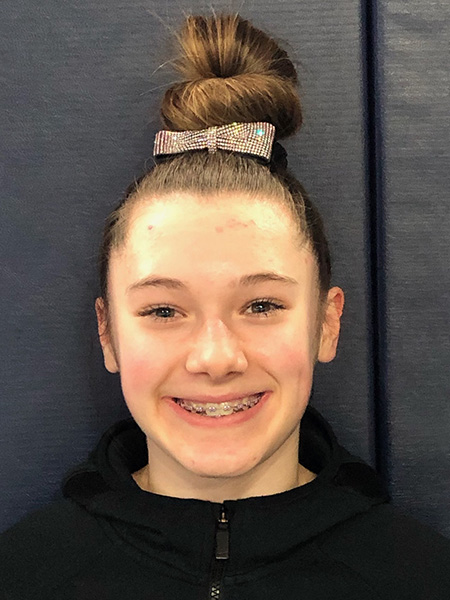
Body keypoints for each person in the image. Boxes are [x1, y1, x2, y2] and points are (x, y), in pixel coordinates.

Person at [1, 13, 450, 600]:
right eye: (163, 311)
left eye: (261, 305)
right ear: (108, 335)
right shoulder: (22, 575)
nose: (215, 359)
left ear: (326, 323)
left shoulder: (423, 577)